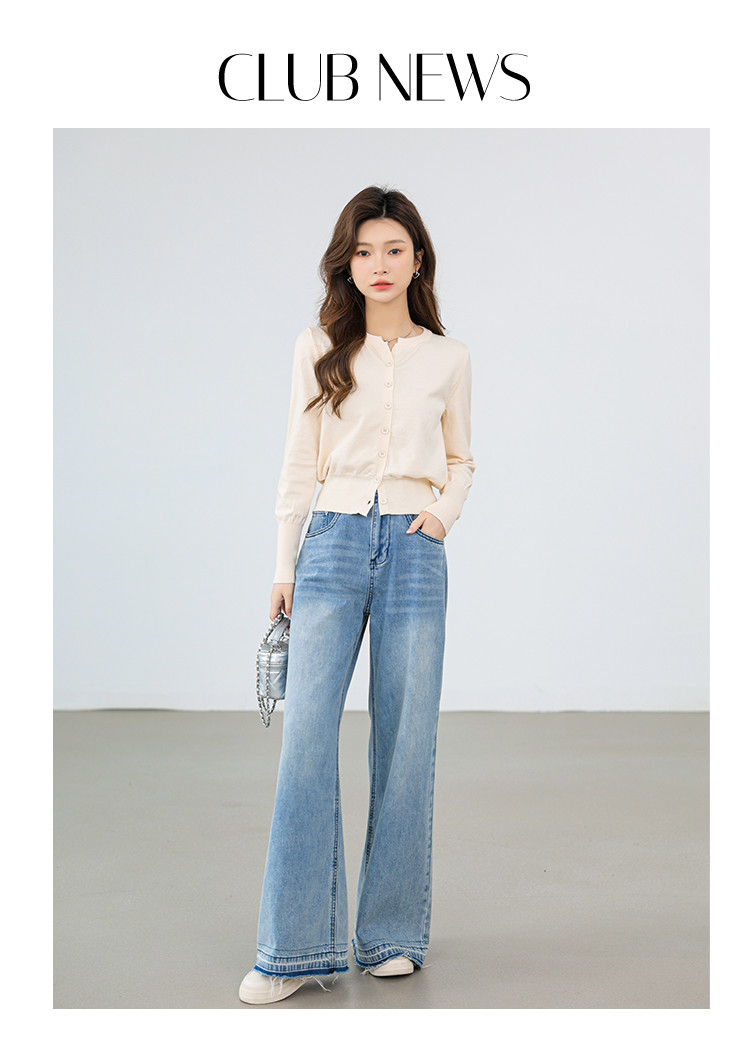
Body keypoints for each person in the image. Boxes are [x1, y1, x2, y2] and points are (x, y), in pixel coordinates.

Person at [239, 185, 476, 1005]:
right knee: (306, 740)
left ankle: (392, 935)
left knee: (406, 742)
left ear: (418, 260)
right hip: (332, 546)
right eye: (365, 251)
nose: (379, 265)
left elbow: (462, 458)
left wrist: (441, 515)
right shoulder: (318, 347)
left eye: (394, 250)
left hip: (414, 548)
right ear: (347, 262)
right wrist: (283, 567)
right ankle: (291, 952)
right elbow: (298, 461)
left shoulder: (449, 357)